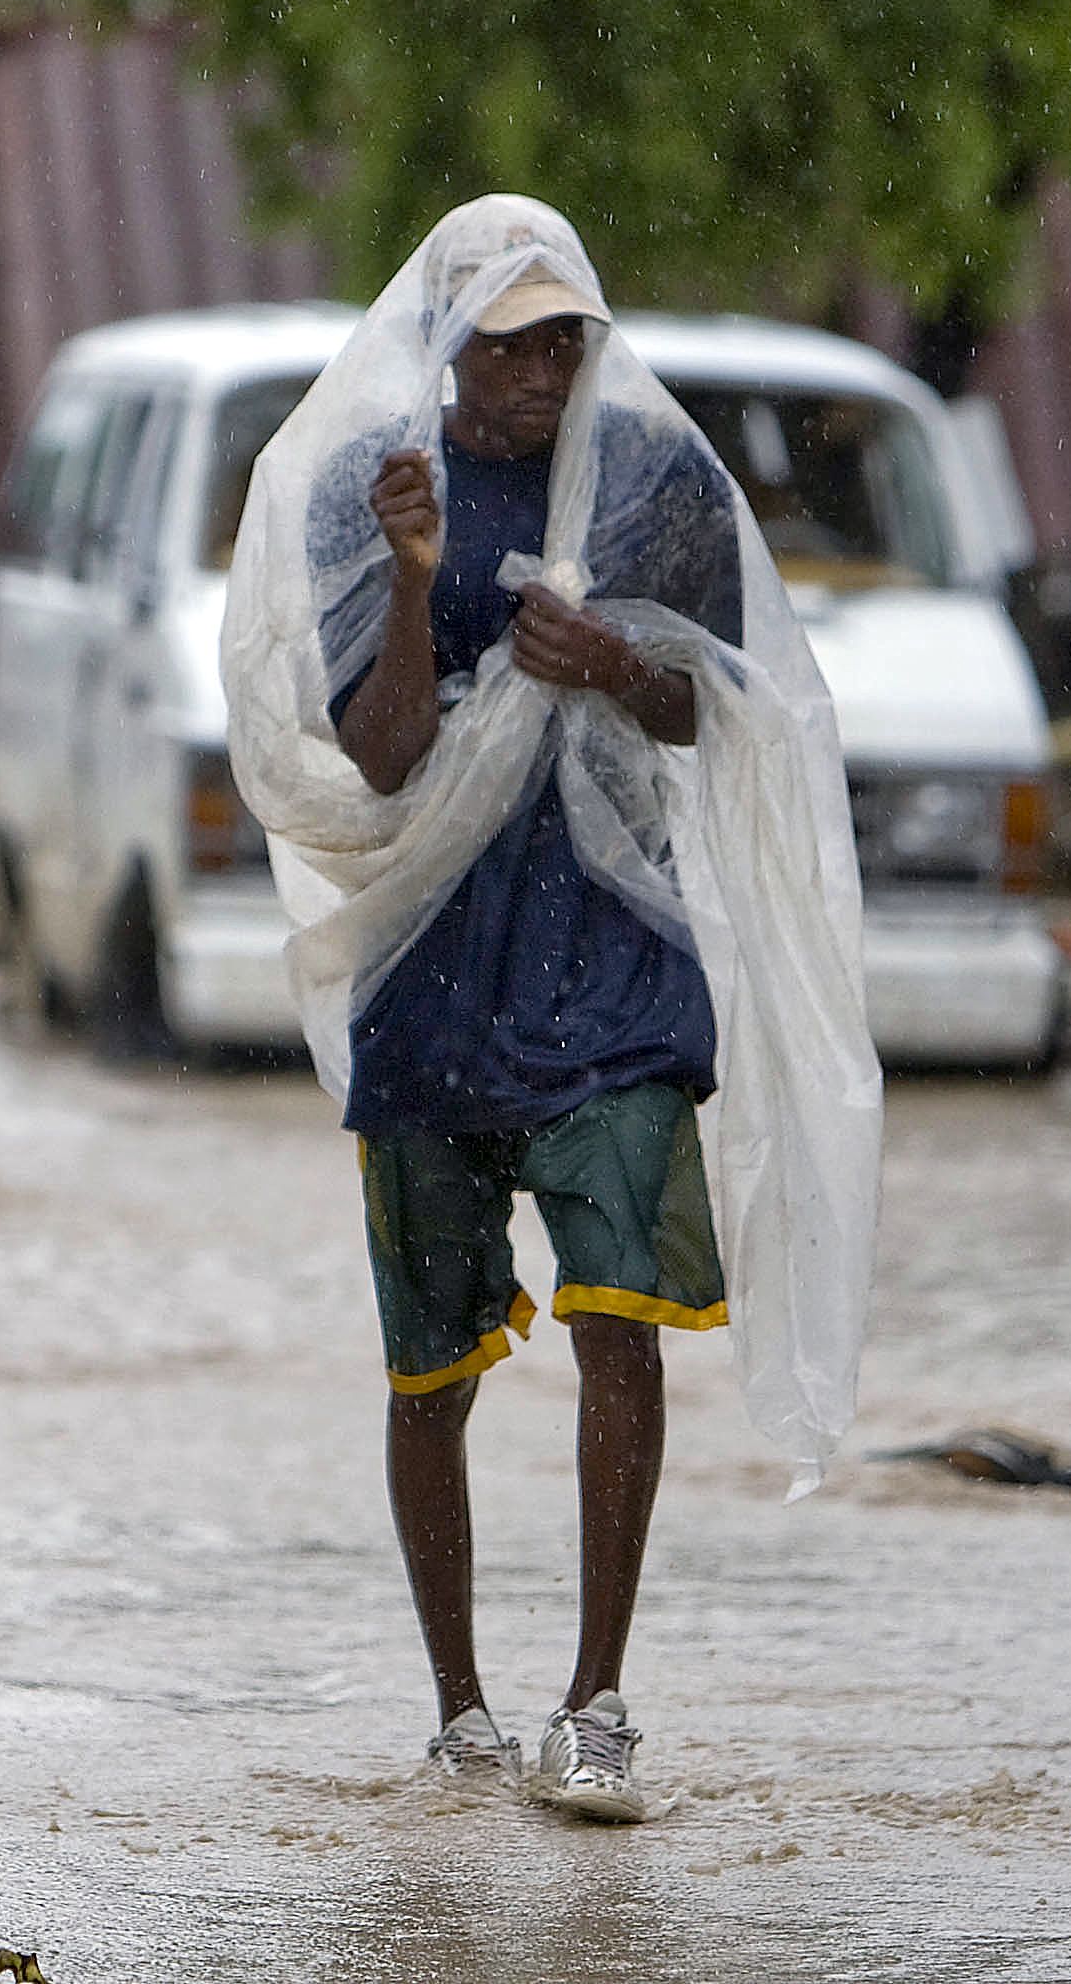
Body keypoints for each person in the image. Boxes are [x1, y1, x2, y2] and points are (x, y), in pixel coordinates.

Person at [221, 196, 875, 1824]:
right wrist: (425, 572)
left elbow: (723, 710)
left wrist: (604, 666)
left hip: (615, 963)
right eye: (508, 342)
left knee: (621, 1322)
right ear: (448, 342)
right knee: (430, 1365)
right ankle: (457, 1709)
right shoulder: (372, 496)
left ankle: (596, 1703)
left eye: (562, 339)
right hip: (434, 973)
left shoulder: (655, 484)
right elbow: (374, 758)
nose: (538, 371)